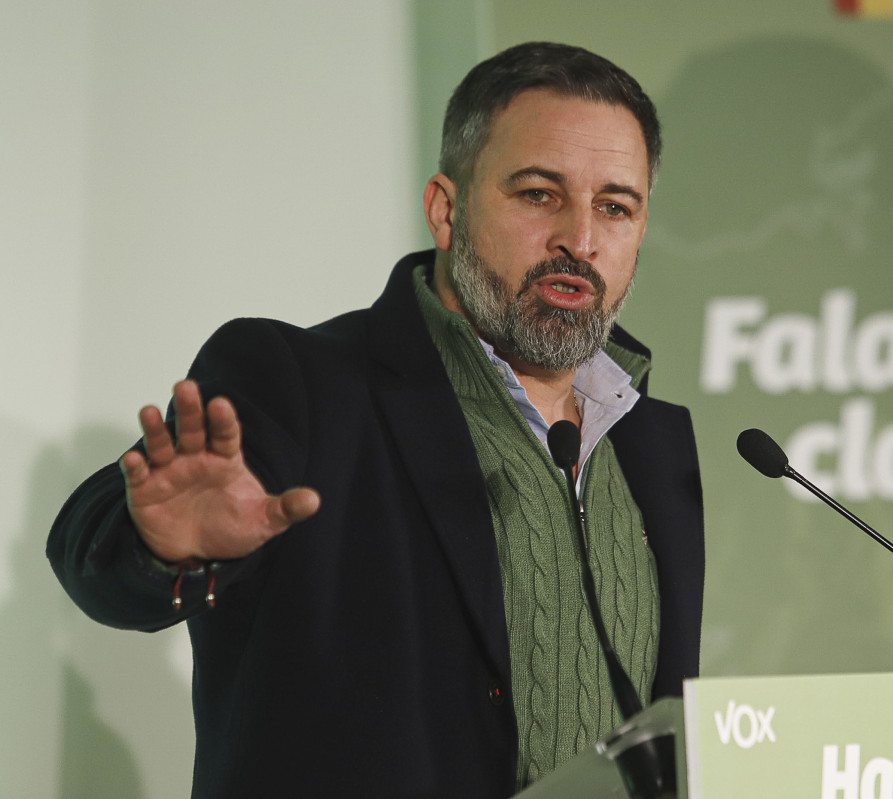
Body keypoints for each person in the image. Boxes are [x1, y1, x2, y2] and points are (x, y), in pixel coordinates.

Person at [47, 41, 704, 798]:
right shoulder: (301, 385)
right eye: (538, 194)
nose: (580, 239)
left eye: (614, 206)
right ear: (446, 209)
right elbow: (91, 553)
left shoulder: (655, 445)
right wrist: (160, 550)